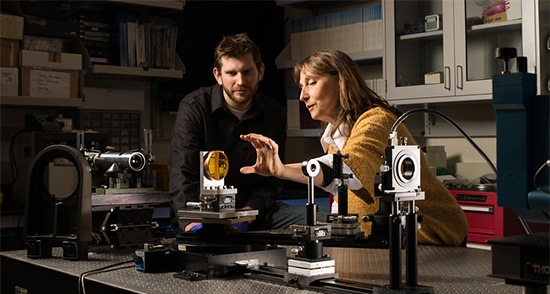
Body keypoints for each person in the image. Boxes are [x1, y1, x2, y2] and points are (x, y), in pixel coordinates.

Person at [240, 50, 469, 246]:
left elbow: (343, 169)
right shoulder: (336, 134)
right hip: (388, 239)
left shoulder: (375, 121)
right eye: (301, 86)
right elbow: (350, 192)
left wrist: (280, 170)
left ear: (341, 81)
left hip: (434, 235)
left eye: (311, 83)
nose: (302, 95)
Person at [168, 33, 287, 233]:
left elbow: (272, 181)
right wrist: (192, 226)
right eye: (231, 73)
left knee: (318, 220)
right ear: (218, 75)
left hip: (256, 217)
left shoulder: (275, 114)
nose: (240, 81)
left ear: (261, 71)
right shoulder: (194, 108)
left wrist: (246, 216)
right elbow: (182, 175)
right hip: (203, 217)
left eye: (247, 71)